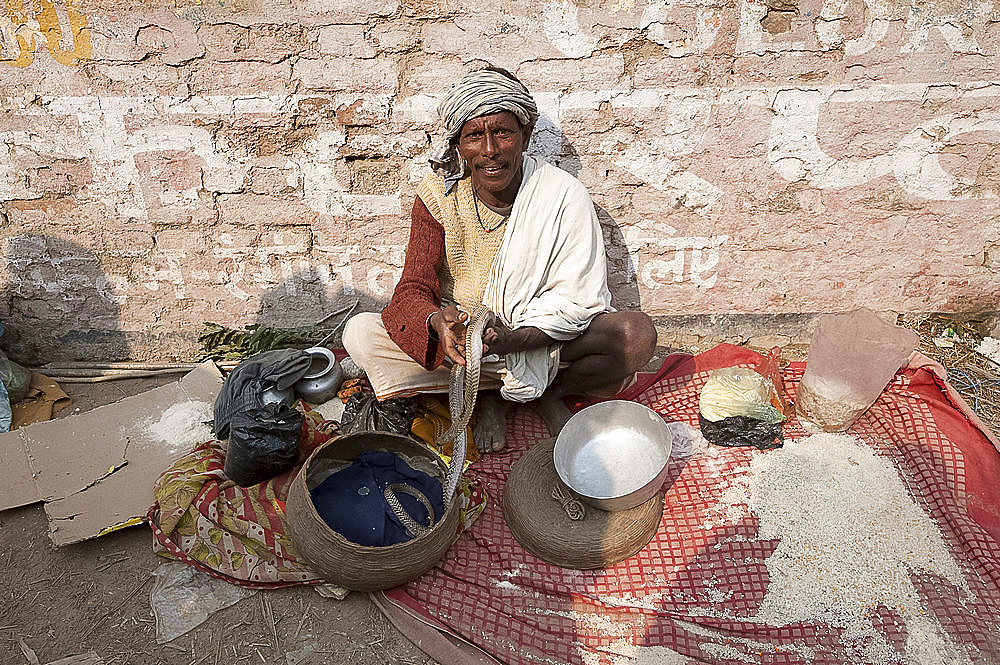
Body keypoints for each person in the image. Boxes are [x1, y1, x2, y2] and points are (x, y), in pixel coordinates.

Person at [343, 66, 656, 451]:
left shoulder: (561, 195)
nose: (489, 150)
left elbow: (579, 302)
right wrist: (435, 321)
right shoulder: (438, 197)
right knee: (359, 332)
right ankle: (490, 394)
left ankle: (543, 394)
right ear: (459, 145)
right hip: (462, 344)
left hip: (535, 341)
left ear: (525, 136)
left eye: (503, 133)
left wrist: (513, 340)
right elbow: (412, 287)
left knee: (634, 336)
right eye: (475, 135)